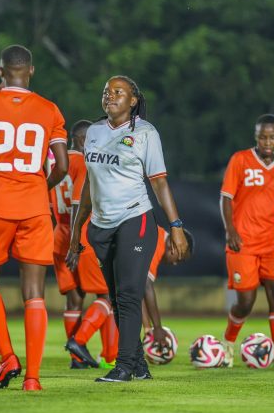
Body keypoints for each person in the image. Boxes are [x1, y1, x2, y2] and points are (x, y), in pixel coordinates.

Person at [66, 75, 188, 382]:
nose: (110, 96)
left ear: (133, 100)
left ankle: (122, 367)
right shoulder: (93, 132)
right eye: (106, 92)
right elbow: (88, 187)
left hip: (136, 220)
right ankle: (139, 365)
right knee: (118, 299)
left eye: (118, 92)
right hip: (100, 227)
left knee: (130, 295)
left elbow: (159, 181)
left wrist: (175, 226)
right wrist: (75, 232)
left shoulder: (146, 133)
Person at [0, 44, 68, 391]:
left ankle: (8, 356)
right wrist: (41, 186)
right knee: (34, 293)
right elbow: (63, 165)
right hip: (35, 209)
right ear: (31, 71)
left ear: (1, 71)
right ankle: (33, 379)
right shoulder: (50, 109)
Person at [220, 114, 274, 369]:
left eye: (272, 137)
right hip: (244, 242)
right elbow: (226, 198)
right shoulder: (240, 160)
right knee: (245, 302)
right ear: (256, 136)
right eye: (263, 136)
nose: (267, 141)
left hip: (273, 242)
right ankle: (228, 342)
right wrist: (230, 230)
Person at [51, 120, 118, 370]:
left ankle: (77, 361)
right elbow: (80, 203)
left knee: (74, 299)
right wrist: (75, 243)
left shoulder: (55, 165)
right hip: (82, 239)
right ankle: (79, 342)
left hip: (58, 236)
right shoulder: (83, 163)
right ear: (82, 140)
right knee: (107, 295)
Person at [141, 226, 194, 347]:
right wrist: (158, 328)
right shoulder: (156, 241)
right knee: (110, 301)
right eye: (179, 258)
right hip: (99, 243)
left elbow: (136, 292)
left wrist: (148, 329)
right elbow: (146, 286)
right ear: (176, 243)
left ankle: (108, 355)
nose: (175, 263)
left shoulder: (157, 235)